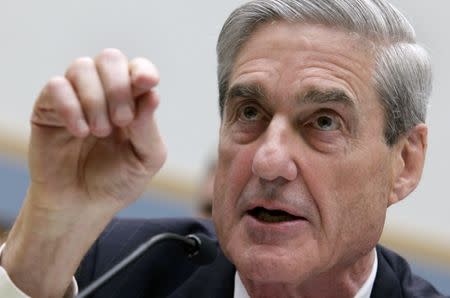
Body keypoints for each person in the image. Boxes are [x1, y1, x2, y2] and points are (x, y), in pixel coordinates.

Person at [0, 0, 446, 297]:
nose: (269, 161)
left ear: (404, 162)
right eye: (250, 113)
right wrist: (51, 223)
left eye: (324, 122)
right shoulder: (111, 267)